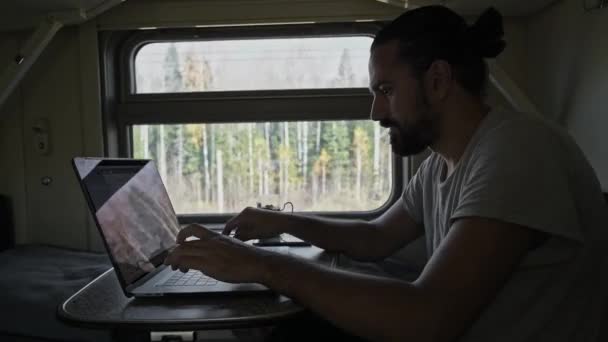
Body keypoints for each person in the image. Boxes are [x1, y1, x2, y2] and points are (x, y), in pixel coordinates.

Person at [164, 5, 608, 341]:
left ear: (437, 81)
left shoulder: (517, 150)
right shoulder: (442, 163)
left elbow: (428, 316)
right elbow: (374, 237)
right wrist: (281, 223)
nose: (376, 111)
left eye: (386, 90)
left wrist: (262, 265)